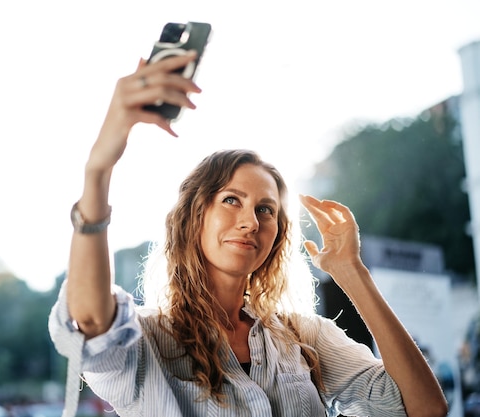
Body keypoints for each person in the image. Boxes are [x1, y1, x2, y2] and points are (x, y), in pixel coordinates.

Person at [48, 51, 448, 416]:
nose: (251, 222)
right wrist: (97, 170)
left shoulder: (306, 337)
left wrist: (352, 273)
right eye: (231, 200)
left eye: (265, 210)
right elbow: (89, 319)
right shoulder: (146, 340)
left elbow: (425, 408)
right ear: (194, 217)